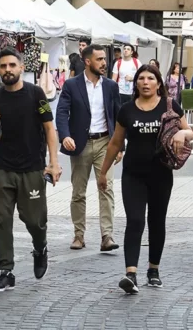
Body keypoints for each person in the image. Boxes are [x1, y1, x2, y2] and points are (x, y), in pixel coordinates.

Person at [97, 65, 193, 294]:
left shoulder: (169, 106)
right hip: (133, 174)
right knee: (135, 221)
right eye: (141, 78)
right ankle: (131, 273)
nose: (146, 82)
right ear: (136, 83)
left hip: (161, 174)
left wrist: (182, 133)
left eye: (151, 78)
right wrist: (103, 172)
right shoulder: (127, 110)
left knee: (157, 221)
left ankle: (153, 269)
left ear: (159, 83)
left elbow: (191, 132)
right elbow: (115, 143)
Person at [0, 47, 62, 292]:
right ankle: (6, 271)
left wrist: (54, 162)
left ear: (21, 68)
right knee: (0, 220)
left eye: (12, 66)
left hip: (32, 168)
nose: (7, 70)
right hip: (3, 167)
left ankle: (40, 247)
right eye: (3, 66)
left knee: (34, 220)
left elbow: (49, 128)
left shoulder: (36, 94)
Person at [56, 45, 122, 251]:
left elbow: (119, 117)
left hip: (105, 143)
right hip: (80, 143)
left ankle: (107, 236)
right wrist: (65, 136)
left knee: (106, 188)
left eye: (105, 59)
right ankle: (79, 235)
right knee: (78, 192)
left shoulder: (111, 86)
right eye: (99, 59)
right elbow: (61, 113)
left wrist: (120, 146)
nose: (104, 63)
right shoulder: (71, 85)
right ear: (87, 61)